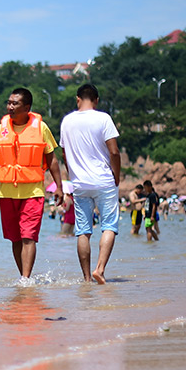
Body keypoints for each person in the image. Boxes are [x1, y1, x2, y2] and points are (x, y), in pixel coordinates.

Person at [0, 88, 62, 282]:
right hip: (7, 193)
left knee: (29, 237)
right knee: (15, 239)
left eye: (15, 104)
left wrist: (59, 187)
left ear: (27, 107)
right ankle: (24, 277)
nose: (10, 107)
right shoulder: (1, 128)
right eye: (8, 103)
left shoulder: (41, 128)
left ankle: (25, 278)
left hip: (33, 191)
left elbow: (52, 161)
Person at [59, 84, 121, 283]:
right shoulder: (103, 118)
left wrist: (72, 175)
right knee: (109, 226)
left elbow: (64, 153)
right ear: (97, 99)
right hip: (103, 181)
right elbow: (114, 152)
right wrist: (116, 175)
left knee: (83, 231)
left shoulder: (67, 121)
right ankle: (100, 270)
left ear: (78, 99)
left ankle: (86, 279)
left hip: (79, 183)